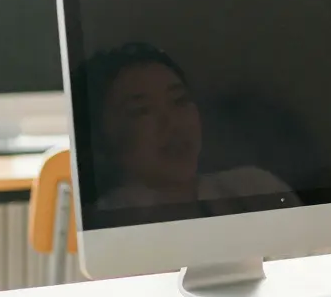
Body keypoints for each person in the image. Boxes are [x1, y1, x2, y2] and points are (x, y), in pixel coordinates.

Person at [80, 42, 297, 215]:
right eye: (142, 110)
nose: (172, 122)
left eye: (180, 100)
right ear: (101, 138)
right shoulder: (106, 223)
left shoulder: (255, 188)